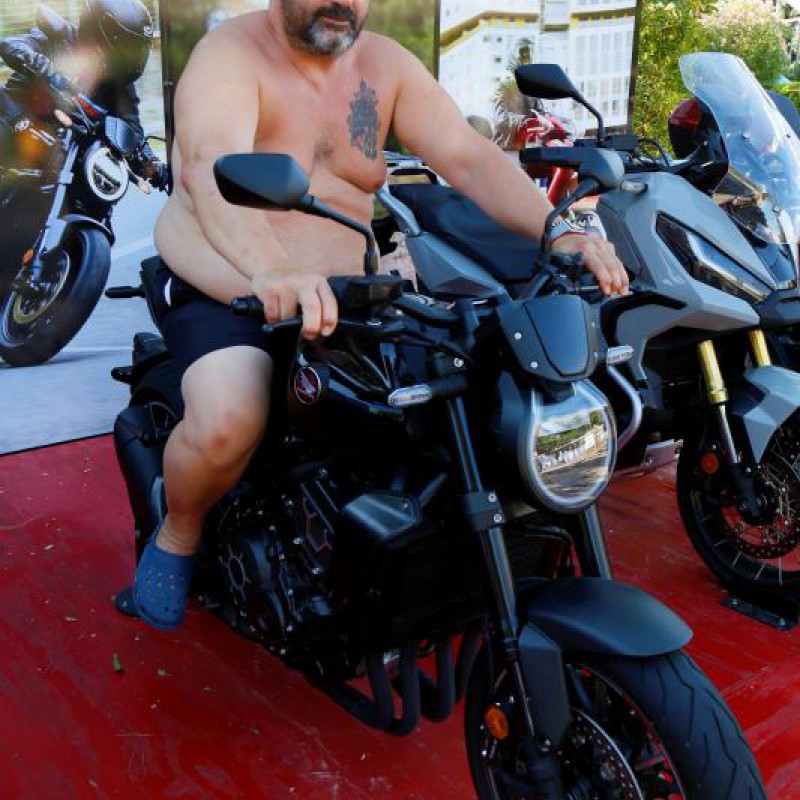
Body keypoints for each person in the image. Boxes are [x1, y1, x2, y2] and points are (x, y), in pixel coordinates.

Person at [122, 0, 628, 631]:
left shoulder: (384, 64)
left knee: (445, 399)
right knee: (231, 417)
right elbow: (206, 164)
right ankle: (178, 532)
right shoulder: (230, 55)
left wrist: (558, 228)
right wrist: (270, 267)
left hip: (348, 296)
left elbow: (467, 155)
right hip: (230, 282)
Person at [0, 0, 167, 188]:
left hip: (60, 161)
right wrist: (44, 68)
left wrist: (153, 165)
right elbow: (12, 45)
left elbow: (132, 132)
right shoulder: (59, 38)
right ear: (100, 31)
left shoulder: (120, 86)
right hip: (14, 127)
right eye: (126, 44)